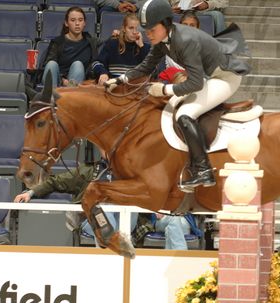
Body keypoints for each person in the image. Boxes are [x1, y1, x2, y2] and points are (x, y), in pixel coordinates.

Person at [105, 0, 250, 191]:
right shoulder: (164, 40)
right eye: (146, 30)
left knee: (185, 114)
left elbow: (196, 84)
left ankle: (203, 169)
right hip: (212, 76)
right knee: (171, 106)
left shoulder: (185, 40)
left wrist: (165, 89)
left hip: (226, 77)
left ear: (165, 24)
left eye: (152, 29)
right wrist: (121, 79)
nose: (148, 34)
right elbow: (146, 66)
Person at [13, 161, 123, 245]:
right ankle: (109, 253)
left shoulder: (130, 171)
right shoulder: (89, 170)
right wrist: (30, 193)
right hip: (92, 219)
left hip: (123, 216)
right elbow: (55, 182)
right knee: (104, 208)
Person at [42, 7, 100, 88]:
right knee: (51, 64)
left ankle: (72, 97)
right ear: (66, 23)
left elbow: (108, 45)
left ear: (84, 23)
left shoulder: (91, 42)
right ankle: (51, 97)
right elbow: (47, 67)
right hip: (58, 81)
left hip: (78, 82)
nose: (77, 23)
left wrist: (116, 35)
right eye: (73, 20)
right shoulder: (58, 42)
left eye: (80, 20)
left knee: (78, 65)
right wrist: (63, 81)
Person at [92, 13, 151, 86]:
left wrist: (142, 47)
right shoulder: (112, 44)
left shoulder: (145, 48)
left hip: (135, 89)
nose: (134, 32)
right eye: (131, 28)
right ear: (124, 28)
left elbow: (154, 72)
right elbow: (96, 63)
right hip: (113, 87)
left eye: (137, 29)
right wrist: (103, 73)